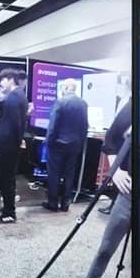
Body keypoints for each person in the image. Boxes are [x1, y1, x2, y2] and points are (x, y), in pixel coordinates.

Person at [81, 99, 131, 278]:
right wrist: (115, 171)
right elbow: (111, 138)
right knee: (105, 250)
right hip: (128, 194)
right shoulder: (134, 105)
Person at [43, 78, 89, 212]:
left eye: (62, 87)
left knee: (54, 173)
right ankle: (65, 204)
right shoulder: (83, 104)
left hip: (58, 144)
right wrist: (81, 143)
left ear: (67, 88)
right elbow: (84, 126)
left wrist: (48, 141)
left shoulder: (60, 102)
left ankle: (53, 203)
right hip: (75, 144)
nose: (61, 89)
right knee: (69, 174)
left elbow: (53, 125)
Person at [0, 68, 28, 224]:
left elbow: (16, 124)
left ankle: (9, 212)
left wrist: (18, 141)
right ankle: (7, 208)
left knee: (7, 178)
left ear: (10, 79)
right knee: (6, 177)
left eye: (2, 80)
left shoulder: (14, 97)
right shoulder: (17, 95)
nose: (1, 84)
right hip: (10, 143)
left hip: (9, 144)